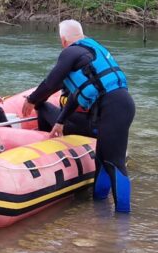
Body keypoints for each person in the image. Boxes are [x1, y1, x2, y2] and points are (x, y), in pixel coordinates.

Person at [21, 19, 135, 212]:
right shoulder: (88, 51)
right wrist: (60, 121)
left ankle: (123, 219)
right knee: (102, 160)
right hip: (117, 106)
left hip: (115, 108)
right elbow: (78, 93)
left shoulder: (70, 52)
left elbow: (51, 82)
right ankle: (101, 212)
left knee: (113, 163)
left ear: (63, 39)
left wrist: (32, 100)